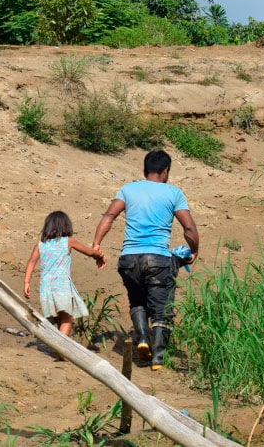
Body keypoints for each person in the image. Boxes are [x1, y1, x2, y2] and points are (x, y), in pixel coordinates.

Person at [91, 150, 199, 370]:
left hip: (128, 259)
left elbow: (109, 216)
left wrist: (96, 244)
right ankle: (158, 358)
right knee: (162, 308)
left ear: (144, 170)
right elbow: (188, 227)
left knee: (137, 301)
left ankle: (142, 338)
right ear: (166, 170)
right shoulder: (174, 193)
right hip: (158, 259)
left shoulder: (127, 189)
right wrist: (194, 250)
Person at [23, 211, 106, 353]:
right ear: (66, 226)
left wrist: (26, 282)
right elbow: (89, 252)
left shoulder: (40, 245)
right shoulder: (68, 241)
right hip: (61, 285)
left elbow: (31, 262)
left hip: (46, 287)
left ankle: (61, 347)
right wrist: (99, 254)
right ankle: (60, 349)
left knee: (60, 317)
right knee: (68, 318)